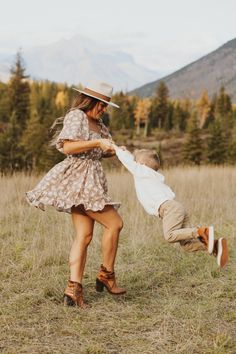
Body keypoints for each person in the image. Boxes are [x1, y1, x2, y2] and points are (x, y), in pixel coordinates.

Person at [26, 82, 126, 309]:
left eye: (106, 105)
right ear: (90, 101)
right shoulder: (76, 116)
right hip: (78, 181)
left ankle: (73, 290)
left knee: (85, 236)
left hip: (91, 182)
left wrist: (116, 150)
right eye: (102, 104)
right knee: (115, 224)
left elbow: (101, 151)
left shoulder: (99, 124)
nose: (104, 109)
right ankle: (106, 275)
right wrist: (97, 142)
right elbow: (68, 147)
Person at [112, 145, 228, 267]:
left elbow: (128, 161)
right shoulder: (149, 174)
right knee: (187, 245)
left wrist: (117, 149)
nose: (134, 163)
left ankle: (201, 231)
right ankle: (216, 246)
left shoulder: (142, 172)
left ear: (142, 164)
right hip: (175, 208)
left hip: (169, 209)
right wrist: (129, 153)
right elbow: (134, 160)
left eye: (136, 161)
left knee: (170, 235)